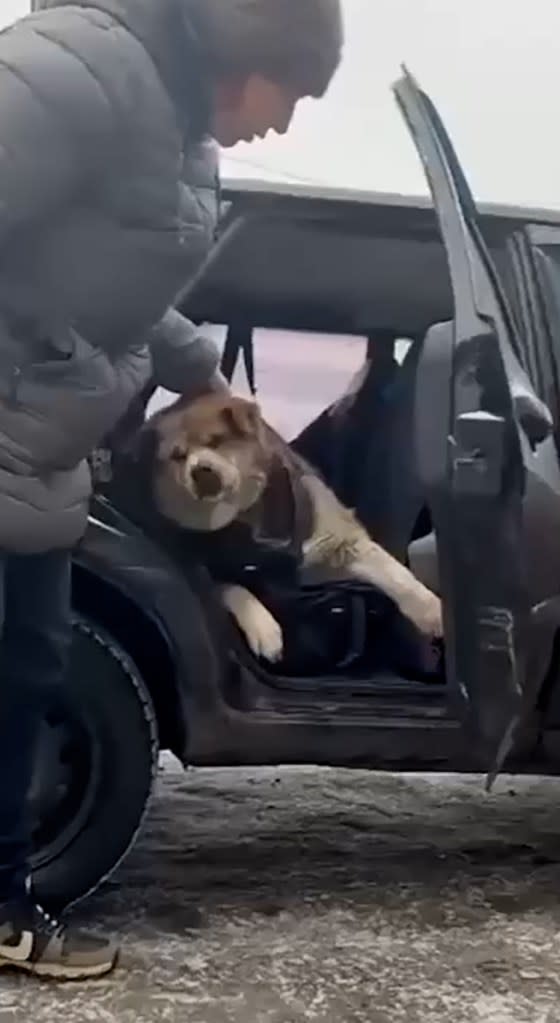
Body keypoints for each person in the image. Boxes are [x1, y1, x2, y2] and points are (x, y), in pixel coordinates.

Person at [0, 0, 343, 981]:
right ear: (248, 56)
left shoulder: (180, 130)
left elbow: (125, 287)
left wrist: (199, 370)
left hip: (39, 454)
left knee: (26, 674)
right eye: (289, 95)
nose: (282, 124)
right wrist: (38, 358)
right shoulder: (82, 71)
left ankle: (4, 910)